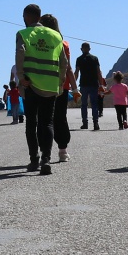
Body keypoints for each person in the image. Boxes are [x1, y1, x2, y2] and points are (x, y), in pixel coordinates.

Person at [14, 6, 67, 174]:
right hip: (50, 85)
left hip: (31, 84)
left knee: (32, 122)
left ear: (26, 16)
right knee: (47, 122)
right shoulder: (56, 35)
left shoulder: (23, 34)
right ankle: (46, 159)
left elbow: (20, 53)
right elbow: (63, 62)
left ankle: (34, 160)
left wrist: (21, 76)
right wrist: (60, 83)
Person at [42, 14, 73, 162]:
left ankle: (44, 152)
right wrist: (74, 87)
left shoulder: (39, 43)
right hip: (61, 85)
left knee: (45, 118)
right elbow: (68, 68)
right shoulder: (63, 43)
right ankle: (63, 150)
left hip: (42, 84)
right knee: (61, 117)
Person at [74, 42, 103, 130]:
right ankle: (95, 123)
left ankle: (85, 123)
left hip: (83, 84)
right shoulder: (95, 58)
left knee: (84, 104)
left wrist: (73, 84)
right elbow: (98, 72)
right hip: (94, 84)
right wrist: (101, 84)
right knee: (94, 103)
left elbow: (77, 72)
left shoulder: (79, 59)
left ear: (81, 49)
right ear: (89, 49)